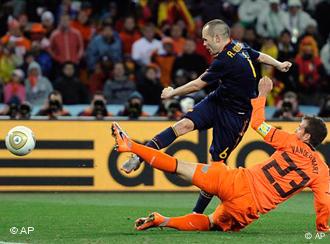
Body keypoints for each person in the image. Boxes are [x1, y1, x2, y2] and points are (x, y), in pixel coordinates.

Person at [111, 76, 329, 232]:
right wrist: (321, 227)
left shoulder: (291, 142)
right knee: (211, 223)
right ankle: (162, 220)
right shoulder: (321, 170)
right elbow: (324, 202)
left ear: (307, 137)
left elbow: (258, 123)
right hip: (248, 210)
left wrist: (262, 95)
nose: (296, 130)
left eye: (300, 128)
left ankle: (130, 146)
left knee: (179, 167)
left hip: (237, 183)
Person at [121, 19, 292, 214]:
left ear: (218, 38)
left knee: (216, 166)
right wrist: (279, 64)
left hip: (237, 115)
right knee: (183, 125)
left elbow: (197, 85)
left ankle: (197, 213)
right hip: (218, 100)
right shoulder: (238, 45)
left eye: (205, 39)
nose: (204, 44)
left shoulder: (225, 60)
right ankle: (139, 156)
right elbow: (258, 56)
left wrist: (172, 93)